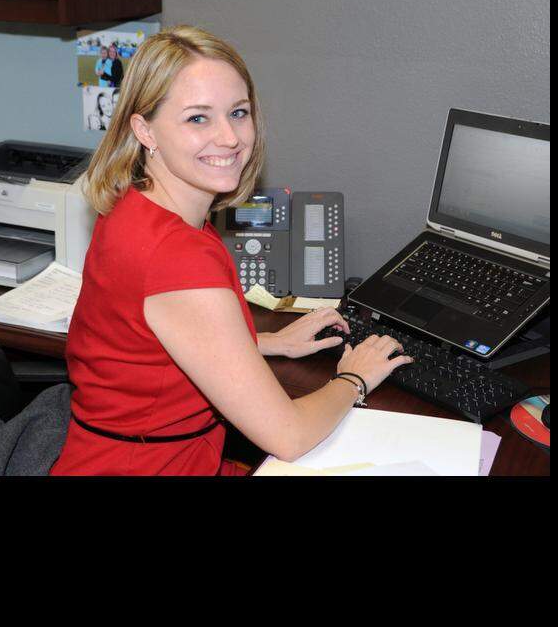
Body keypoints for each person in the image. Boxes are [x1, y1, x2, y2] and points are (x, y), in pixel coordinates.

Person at [50, 25, 412, 475]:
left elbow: (153, 341)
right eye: (198, 118)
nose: (229, 138)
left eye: (238, 113)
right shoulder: (176, 255)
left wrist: (268, 342)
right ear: (145, 130)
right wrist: (354, 376)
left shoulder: (132, 206)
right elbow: (290, 436)